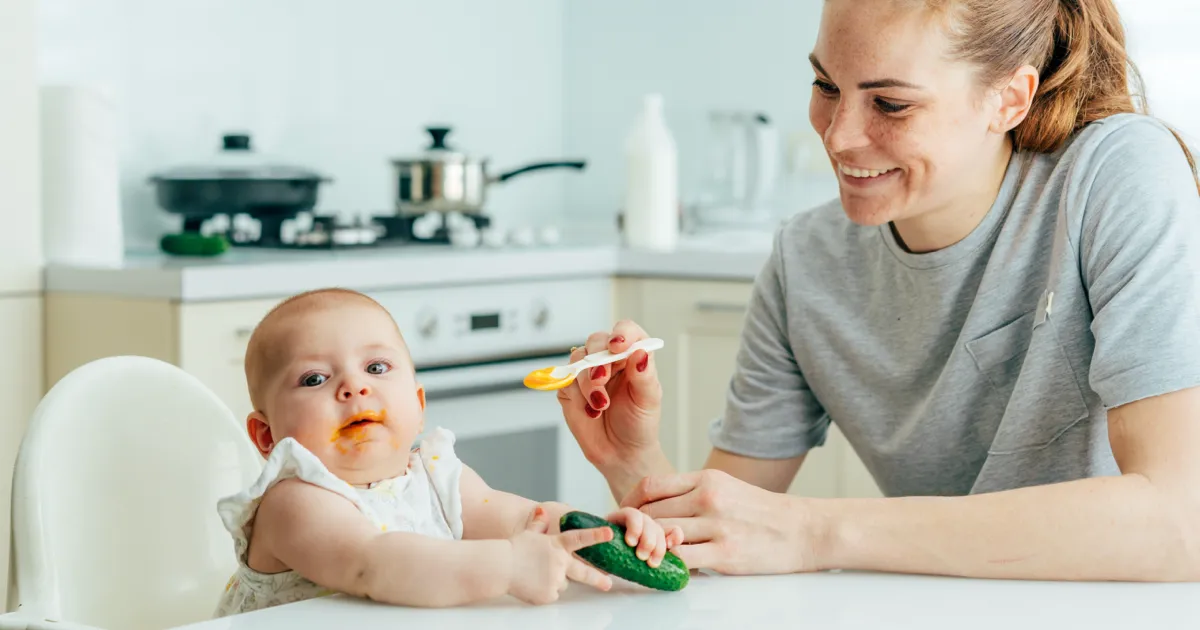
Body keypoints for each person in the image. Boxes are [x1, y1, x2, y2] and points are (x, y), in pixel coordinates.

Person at [558, 0, 1200, 581]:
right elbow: (721, 538)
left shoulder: (1116, 174)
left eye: (890, 104)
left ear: (1010, 98)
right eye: (825, 86)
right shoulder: (807, 261)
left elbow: (1181, 523)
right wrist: (632, 463)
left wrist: (815, 533)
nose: (838, 136)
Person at [214, 288, 682, 616]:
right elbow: (373, 564)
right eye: (315, 378)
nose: (354, 387)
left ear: (418, 407)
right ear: (266, 437)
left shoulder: (435, 474)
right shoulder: (295, 501)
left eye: (376, 367)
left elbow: (525, 520)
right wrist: (509, 566)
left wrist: (596, 534)